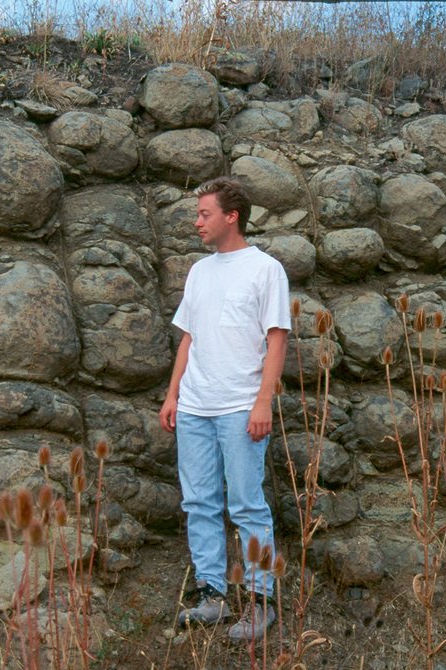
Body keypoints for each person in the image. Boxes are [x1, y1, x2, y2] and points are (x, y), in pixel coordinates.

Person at [158, 176, 290, 641]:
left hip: (240, 408)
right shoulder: (199, 271)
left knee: (247, 505)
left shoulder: (265, 269)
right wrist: (174, 394)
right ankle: (211, 595)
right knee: (198, 502)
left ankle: (261, 602)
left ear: (231, 216)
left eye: (204, 214)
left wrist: (263, 402)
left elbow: (277, 339)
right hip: (195, 406)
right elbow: (188, 339)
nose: (197, 222)